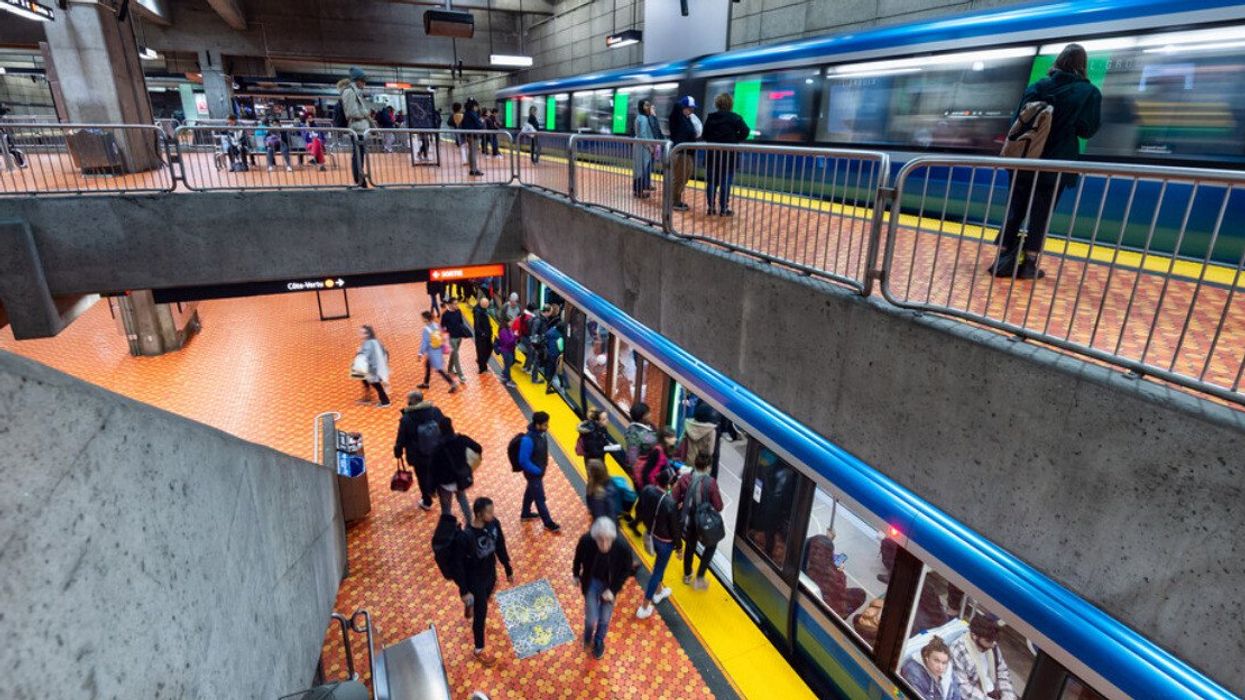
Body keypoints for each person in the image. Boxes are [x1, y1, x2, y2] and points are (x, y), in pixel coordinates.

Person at [990, 43, 1102, 280]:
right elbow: (1087, 130)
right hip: (1056, 164)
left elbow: (1017, 120)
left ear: (1058, 61)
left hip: (1025, 160)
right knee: (1041, 214)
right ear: (1082, 65)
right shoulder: (1089, 93)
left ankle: (1001, 258)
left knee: (1015, 209)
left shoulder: (1037, 86)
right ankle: (1030, 264)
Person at [457, 497, 514, 667]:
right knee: (481, 613)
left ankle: (472, 603)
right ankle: (479, 649)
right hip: (475, 579)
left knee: (487, 595)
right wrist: (464, 590)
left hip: (490, 572)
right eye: (489, 512)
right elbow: (459, 566)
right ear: (479, 514)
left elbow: (500, 545)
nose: (493, 514)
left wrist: (507, 567)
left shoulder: (494, 524)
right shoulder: (467, 537)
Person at [572, 517, 633, 659]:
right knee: (591, 618)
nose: (604, 544)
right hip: (591, 581)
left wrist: (612, 590)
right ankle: (587, 638)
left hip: (610, 584)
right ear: (595, 537)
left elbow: (626, 569)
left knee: (605, 618)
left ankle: (599, 641)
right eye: (600, 540)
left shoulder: (622, 547)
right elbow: (578, 558)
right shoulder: (586, 541)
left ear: (613, 538)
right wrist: (575, 574)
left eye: (607, 540)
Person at [673, 453, 724, 590]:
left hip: (689, 521)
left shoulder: (685, 479)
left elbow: (674, 499)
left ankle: (687, 574)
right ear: (708, 467)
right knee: (711, 546)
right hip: (703, 524)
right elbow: (719, 506)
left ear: (695, 464)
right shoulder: (711, 483)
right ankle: (700, 577)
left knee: (690, 546)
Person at [635, 469, 679, 619]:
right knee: (658, 571)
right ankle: (644, 607)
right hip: (665, 542)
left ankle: (660, 592)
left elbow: (638, 509)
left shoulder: (647, 489)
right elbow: (675, 529)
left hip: (651, 534)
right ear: (668, 485)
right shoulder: (670, 503)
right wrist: (679, 547)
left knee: (659, 567)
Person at [393, 390, 446, 511]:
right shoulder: (435, 411)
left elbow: (402, 437)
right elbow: (444, 426)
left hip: (418, 455)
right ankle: (436, 489)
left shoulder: (406, 418)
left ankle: (427, 501)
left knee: (422, 477)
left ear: (413, 401)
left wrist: (398, 451)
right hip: (436, 450)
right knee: (436, 471)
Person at [702, 93, 751, 217]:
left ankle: (711, 208)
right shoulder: (735, 118)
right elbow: (746, 131)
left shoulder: (711, 117)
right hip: (729, 157)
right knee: (725, 182)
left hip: (712, 155)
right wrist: (734, 140)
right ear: (730, 104)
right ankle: (724, 209)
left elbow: (705, 135)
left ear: (717, 104)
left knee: (712, 182)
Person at [801, 527, 866, 619]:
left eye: (821, 552)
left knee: (859, 593)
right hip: (829, 607)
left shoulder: (813, 565)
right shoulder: (829, 574)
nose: (816, 554)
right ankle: (841, 616)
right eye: (815, 551)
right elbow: (839, 586)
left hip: (832, 600)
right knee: (860, 594)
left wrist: (828, 540)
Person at [950, 613, 1016, 700]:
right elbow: (963, 688)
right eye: (988, 641)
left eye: (993, 640)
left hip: (993, 691)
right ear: (974, 636)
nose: (993, 644)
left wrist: (1008, 696)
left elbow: (1002, 671)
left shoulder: (992, 645)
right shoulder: (958, 651)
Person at [432, 417, 482, 522]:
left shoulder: (438, 447)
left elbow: (433, 468)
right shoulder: (461, 439)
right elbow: (478, 447)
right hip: (460, 478)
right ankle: (469, 523)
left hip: (445, 482)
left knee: (446, 508)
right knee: (463, 499)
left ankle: (448, 529)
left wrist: (431, 487)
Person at [518, 411, 560, 532]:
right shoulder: (528, 440)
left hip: (538, 471)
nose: (548, 427)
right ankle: (548, 522)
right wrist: (537, 471)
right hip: (533, 474)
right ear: (537, 425)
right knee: (540, 498)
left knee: (530, 492)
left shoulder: (541, 434)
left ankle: (525, 514)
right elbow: (523, 461)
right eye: (545, 425)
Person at [337, 67, 375, 186]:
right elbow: (351, 113)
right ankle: (359, 179)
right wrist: (365, 114)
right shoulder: (349, 92)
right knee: (358, 156)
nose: (364, 83)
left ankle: (360, 178)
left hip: (360, 129)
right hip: (357, 129)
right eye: (363, 80)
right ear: (357, 80)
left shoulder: (355, 91)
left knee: (360, 155)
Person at [667, 96, 702, 212]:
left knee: (684, 179)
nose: (692, 111)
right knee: (679, 179)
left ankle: (676, 199)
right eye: (690, 108)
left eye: (692, 109)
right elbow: (676, 107)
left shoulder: (686, 118)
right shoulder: (676, 118)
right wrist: (682, 104)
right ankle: (673, 201)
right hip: (681, 154)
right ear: (683, 107)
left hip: (688, 154)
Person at [418, 311, 459, 393]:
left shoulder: (426, 329)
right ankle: (426, 383)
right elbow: (442, 334)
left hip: (432, 351)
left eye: (422, 318)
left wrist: (420, 353)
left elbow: (424, 343)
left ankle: (452, 383)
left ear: (426, 319)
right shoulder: (436, 325)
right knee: (428, 365)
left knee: (439, 369)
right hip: (438, 349)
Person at [681, 400, 719, 477]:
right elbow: (710, 451)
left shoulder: (688, 424)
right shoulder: (711, 431)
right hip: (702, 465)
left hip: (687, 461)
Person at [356, 325, 391, 407]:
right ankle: (367, 397)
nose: (359, 334)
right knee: (365, 379)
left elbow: (364, 357)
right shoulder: (375, 341)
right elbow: (385, 351)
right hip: (376, 367)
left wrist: (359, 352)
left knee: (377, 385)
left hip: (372, 369)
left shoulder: (368, 344)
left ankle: (385, 402)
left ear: (367, 334)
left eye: (362, 333)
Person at [632, 100, 661, 198]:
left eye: (649, 105)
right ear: (641, 106)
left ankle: (638, 189)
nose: (648, 107)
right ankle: (639, 191)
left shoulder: (639, 117)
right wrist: (649, 146)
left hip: (641, 146)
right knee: (641, 169)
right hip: (643, 147)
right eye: (646, 105)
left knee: (639, 168)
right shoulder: (644, 119)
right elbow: (643, 134)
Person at [623, 402, 658, 481]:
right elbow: (632, 459)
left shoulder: (650, 426)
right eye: (648, 413)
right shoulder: (633, 434)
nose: (651, 415)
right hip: (645, 473)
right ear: (642, 417)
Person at [440, 299, 473, 383]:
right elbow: (442, 327)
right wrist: (445, 334)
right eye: (455, 304)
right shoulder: (445, 315)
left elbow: (461, 323)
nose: (456, 305)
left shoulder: (458, 311)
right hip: (452, 338)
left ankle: (449, 369)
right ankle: (461, 375)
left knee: (454, 353)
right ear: (450, 305)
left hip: (459, 337)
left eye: (456, 304)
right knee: (456, 355)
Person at [541, 318, 565, 395]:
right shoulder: (559, 337)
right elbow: (561, 348)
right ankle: (549, 388)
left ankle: (547, 379)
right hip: (554, 356)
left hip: (547, 353)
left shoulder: (551, 331)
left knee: (548, 368)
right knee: (553, 371)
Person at [462, 99, 485, 177]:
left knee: (471, 152)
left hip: (469, 135)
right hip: (474, 135)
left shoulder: (466, 113)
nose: (477, 108)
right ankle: (474, 170)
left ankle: (472, 169)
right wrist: (482, 121)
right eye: (476, 106)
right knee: (473, 153)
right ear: (473, 106)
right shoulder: (472, 113)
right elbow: (479, 125)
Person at [472, 296, 494, 374]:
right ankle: (482, 368)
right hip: (482, 336)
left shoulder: (482, 310)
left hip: (486, 335)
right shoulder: (478, 312)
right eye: (487, 305)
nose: (488, 306)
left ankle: (482, 362)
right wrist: (483, 333)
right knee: (482, 351)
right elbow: (476, 325)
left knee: (488, 348)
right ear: (483, 304)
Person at [494, 321, 518, 387]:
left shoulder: (508, 329)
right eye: (511, 322)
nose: (512, 323)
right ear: (506, 322)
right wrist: (515, 336)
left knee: (508, 363)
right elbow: (508, 343)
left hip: (509, 350)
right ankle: (508, 381)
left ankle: (504, 375)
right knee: (507, 365)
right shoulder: (503, 331)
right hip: (506, 351)